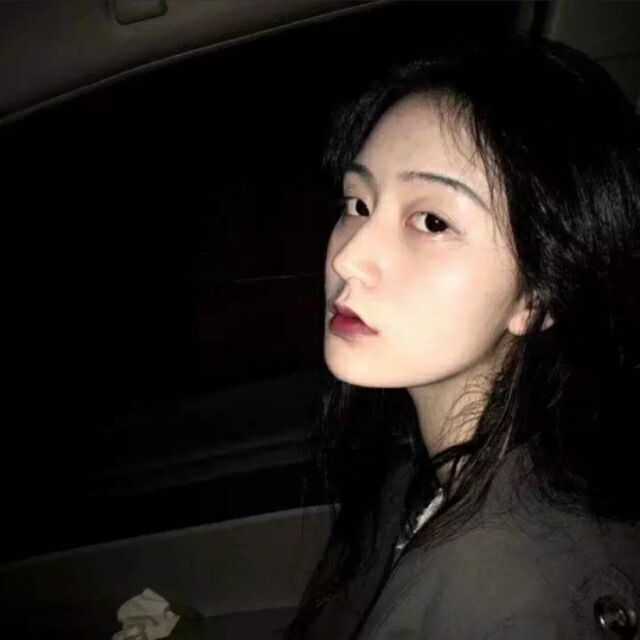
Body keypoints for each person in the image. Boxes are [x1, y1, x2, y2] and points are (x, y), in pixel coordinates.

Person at [281, 34, 640, 640]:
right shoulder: (417, 466)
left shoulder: (511, 605)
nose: (349, 257)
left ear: (538, 296)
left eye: (431, 221)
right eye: (358, 204)